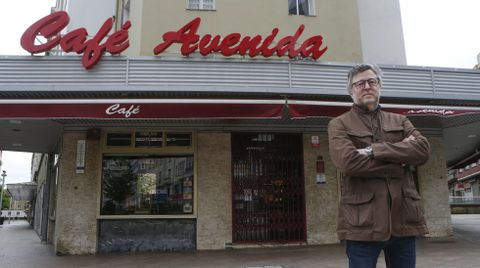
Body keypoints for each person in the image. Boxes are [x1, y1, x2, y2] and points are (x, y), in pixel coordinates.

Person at [327, 64, 430, 268]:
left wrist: (373, 151)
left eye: (371, 81)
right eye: (359, 83)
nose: (366, 86)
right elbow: (348, 163)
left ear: (379, 86)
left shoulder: (400, 121)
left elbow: (423, 150)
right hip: (361, 225)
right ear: (351, 91)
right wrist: (399, 160)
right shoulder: (339, 124)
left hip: (404, 220)